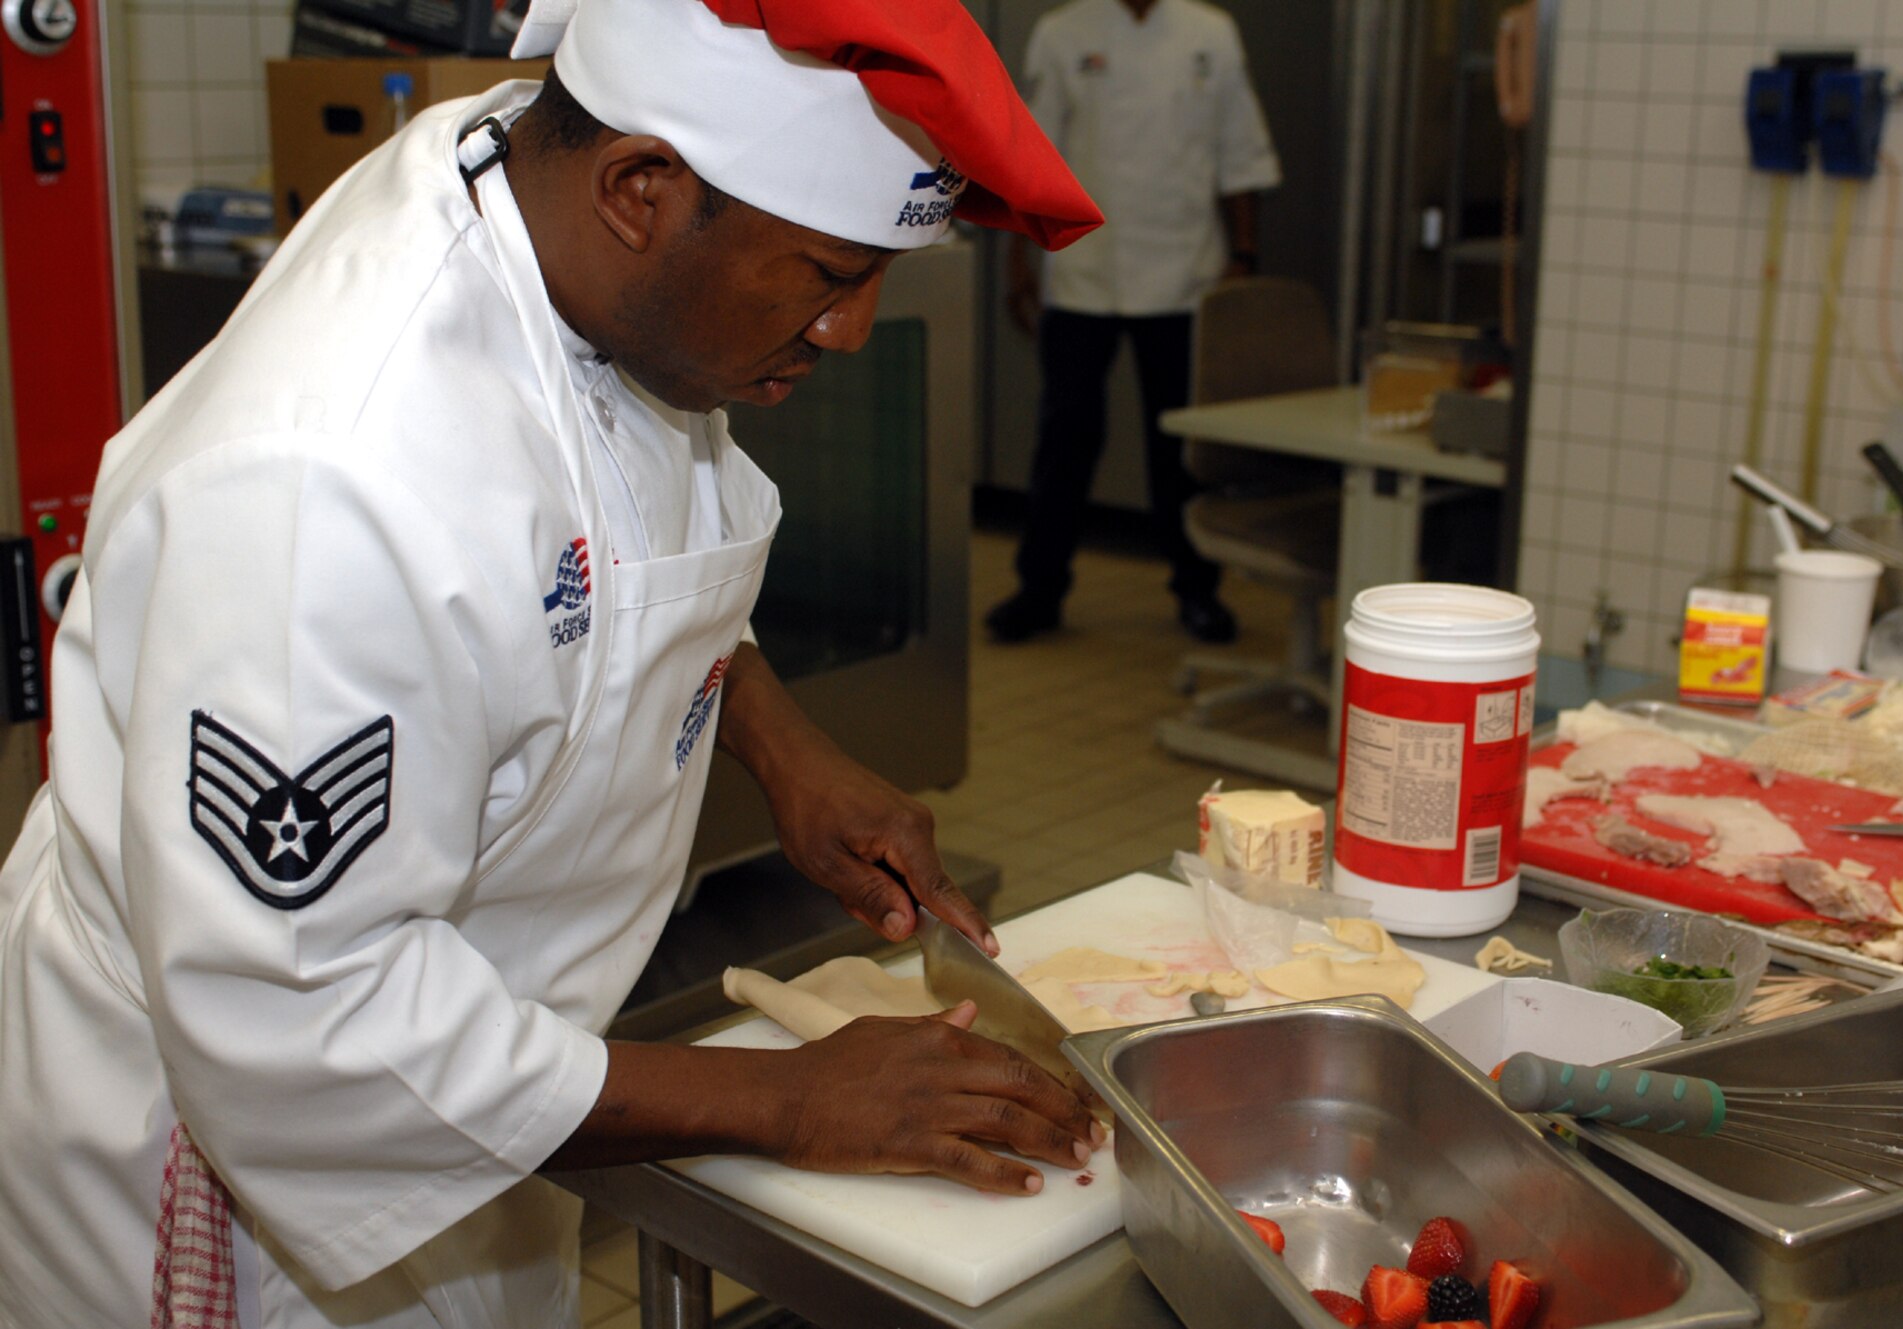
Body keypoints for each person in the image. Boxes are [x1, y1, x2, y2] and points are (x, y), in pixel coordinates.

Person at [0, 3, 1108, 1326]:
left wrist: (779, 742)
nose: (852, 329)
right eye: (824, 273)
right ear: (642, 189)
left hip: (500, 1078)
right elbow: (311, 1016)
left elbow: (596, 556)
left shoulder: (546, 212)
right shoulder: (322, 492)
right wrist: (787, 1101)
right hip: (252, 1165)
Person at [985, 0, 1283, 645]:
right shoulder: (1064, 32)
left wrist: (1244, 254)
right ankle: (1039, 589)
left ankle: (1197, 590)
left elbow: (1241, 153)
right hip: (1082, 267)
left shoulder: (1211, 33)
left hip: (1184, 271)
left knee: (1179, 447)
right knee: (1065, 438)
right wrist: (1019, 262)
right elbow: (1033, 157)